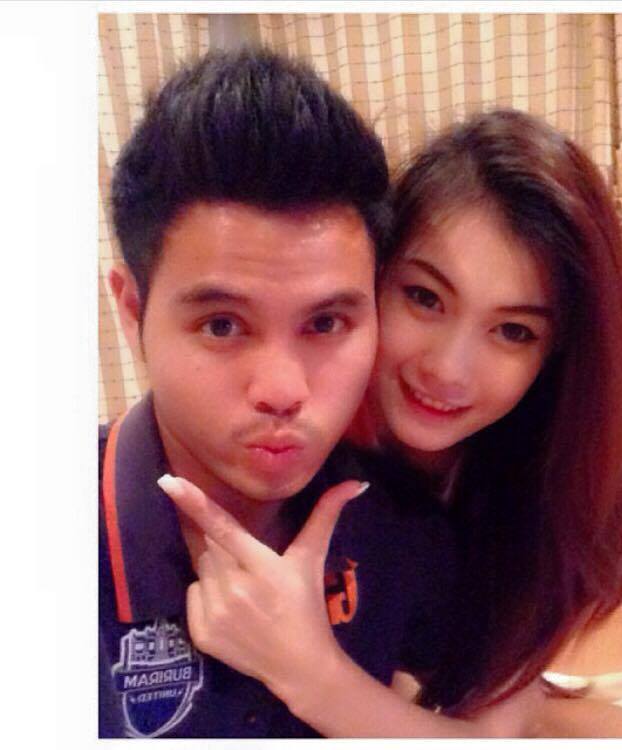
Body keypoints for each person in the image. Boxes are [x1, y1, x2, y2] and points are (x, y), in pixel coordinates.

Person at [160, 108, 622, 736]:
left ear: (555, 356)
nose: (448, 370)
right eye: (424, 297)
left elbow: (494, 731)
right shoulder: (290, 445)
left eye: (512, 331)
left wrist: (311, 674)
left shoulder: (546, 481)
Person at [98, 47, 461, 739]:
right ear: (132, 310)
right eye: (222, 325)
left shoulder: (403, 530)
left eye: (325, 323)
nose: (283, 391)